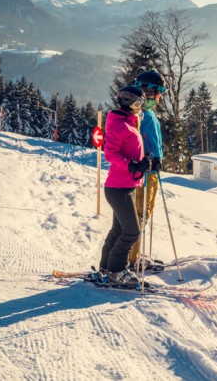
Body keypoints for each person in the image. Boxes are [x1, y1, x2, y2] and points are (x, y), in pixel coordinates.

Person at [98, 85, 150, 287]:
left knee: (119, 229)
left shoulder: (127, 122)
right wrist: (133, 166)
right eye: (140, 102)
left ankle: (106, 267)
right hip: (119, 188)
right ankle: (117, 271)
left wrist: (146, 163)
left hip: (124, 185)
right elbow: (110, 153)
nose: (141, 107)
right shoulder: (120, 124)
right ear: (134, 103)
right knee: (131, 231)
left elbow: (131, 151)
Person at [128, 70, 167, 272]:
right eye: (159, 92)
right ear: (152, 92)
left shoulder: (142, 113)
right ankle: (131, 259)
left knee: (139, 214)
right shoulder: (144, 116)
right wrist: (152, 160)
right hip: (146, 173)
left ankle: (131, 255)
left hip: (146, 171)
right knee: (141, 213)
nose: (160, 97)